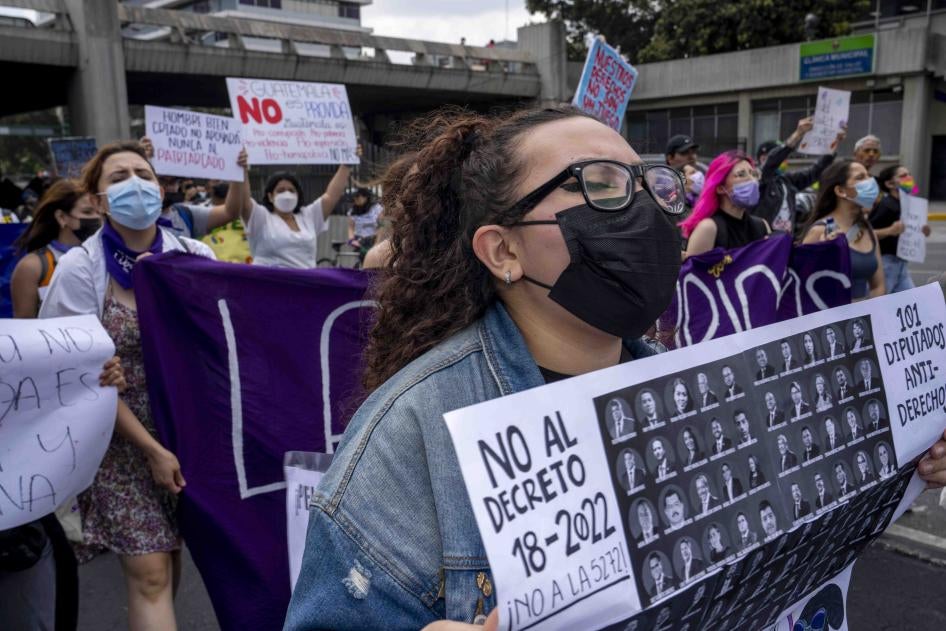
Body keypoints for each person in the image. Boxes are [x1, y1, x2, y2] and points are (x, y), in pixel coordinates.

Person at [284, 105, 688, 630]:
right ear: (502, 251)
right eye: (597, 183)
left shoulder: (681, 388)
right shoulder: (410, 433)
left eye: (649, 185)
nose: (642, 209)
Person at [38, 141, 216, 631]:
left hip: (186, 432)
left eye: (143, 173)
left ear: (160, 190)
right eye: (118, 177)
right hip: (119, 438)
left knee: (167, 565)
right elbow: (72, 371)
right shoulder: (79, 270)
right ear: (96, 201)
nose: (134, 183)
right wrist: (151, 449)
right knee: (151, 574)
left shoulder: (195, 255)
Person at [225, 147, 356, 268]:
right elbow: (244, 199)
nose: (287, 194)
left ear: (298, 195)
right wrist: (242, 169)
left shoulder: (308, 216)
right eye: (281, 190)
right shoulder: (261, 217)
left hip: (305, 286)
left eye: (291, 190)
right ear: (270, 196)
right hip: (269, 287)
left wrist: (346, 165)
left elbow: (331, 196)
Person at [10, 180, 102, 318]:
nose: (97, 218)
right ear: (62, 217)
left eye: (99, 211)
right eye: (87, 212)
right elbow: (24, 327)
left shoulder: (107, 257)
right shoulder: (32, 267)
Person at [801, 160, 885, 300]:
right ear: (840, 191)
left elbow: (878, 285)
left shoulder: (867, 229)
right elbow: (801, 287)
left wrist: (871, 314)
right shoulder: (820, 231)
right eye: (860, 177)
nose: (870, 181)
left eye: (868, 176)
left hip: (862, 320)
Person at [138, 137, 239, 240]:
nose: (168, 187)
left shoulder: (185, 214)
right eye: (162, 180)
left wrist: (239, 170)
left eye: (174, 181)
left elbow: (230, 212)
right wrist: (139, 159)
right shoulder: (130, 217)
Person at [754, 117, 840, 235]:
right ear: (763, 158)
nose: (785, 161)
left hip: (785, 243)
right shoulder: (758, 180)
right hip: (764, 243)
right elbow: (773, 160)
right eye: (783, 157)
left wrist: (833, 144)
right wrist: (798, 134)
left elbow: (815, 171)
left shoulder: (786, 181)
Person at [681, 151, 771, 258]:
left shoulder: (762, 226)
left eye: (753, 174)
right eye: (741, 174)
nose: (752, 180)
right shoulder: (708, 228)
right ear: (720, 188)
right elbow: (693, 273)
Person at [870, 164, 932, 293]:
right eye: (903, 176)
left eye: (909, 174)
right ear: (890, 184)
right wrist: (889, 231)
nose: (909, 178)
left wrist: (923, 231)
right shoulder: (886, 205)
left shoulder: (909, 204)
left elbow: (910, 230)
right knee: (882, 304)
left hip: (901, 263)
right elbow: (867, 234)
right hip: (886, 263)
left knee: (911, 301)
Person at [347, 186, 384, 261]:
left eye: (357, 196)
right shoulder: (352, 211)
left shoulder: (376, 208)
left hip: (373, 240)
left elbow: (381, 227)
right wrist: (352, 240)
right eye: (354, 197)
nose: (355, 199)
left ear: (365, 196)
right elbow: (351, 228)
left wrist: (377, 243)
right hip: (360, 241)